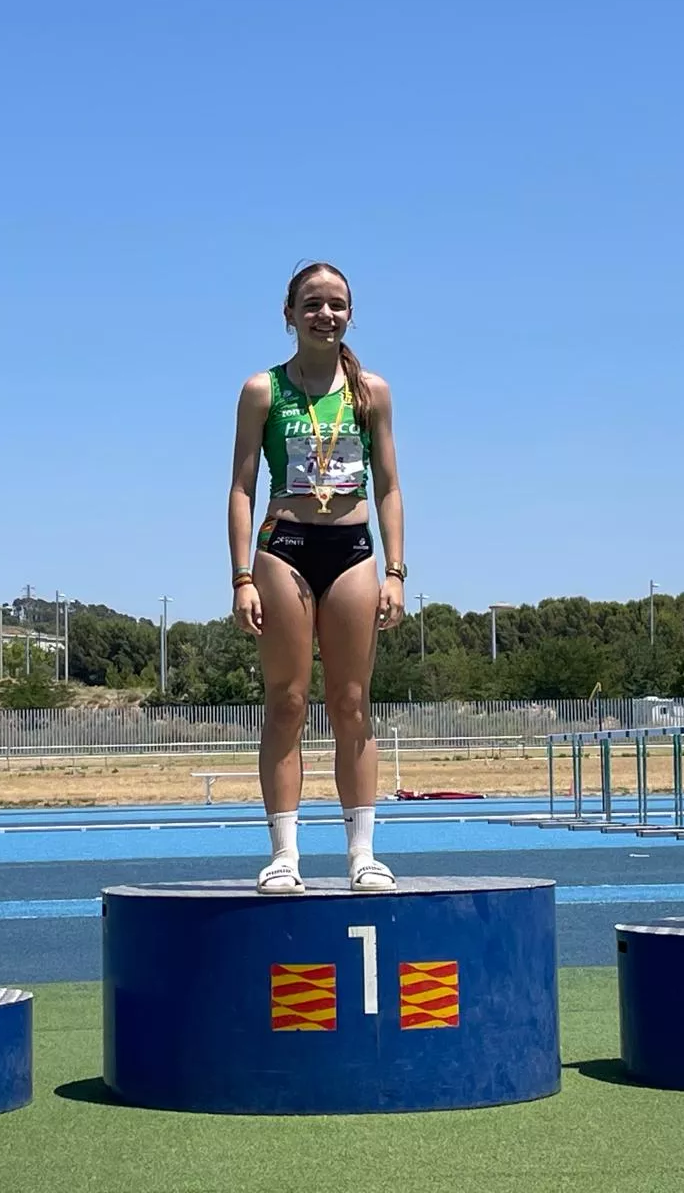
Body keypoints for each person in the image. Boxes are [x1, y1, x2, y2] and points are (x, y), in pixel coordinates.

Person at [228, 262, 407, 894]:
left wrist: (396, 570)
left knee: (352, 702)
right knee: (287, 700)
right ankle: (284, 854)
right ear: (289, 314)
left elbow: (389, 486)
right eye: (311, 304)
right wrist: (241, 577)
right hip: (285, 547)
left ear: (350, 314)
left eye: (336, 304)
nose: (324, 315)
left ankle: (363, 854)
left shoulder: (372, 392)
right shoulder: (263, 390)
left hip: (352, 549)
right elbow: (242, 487)